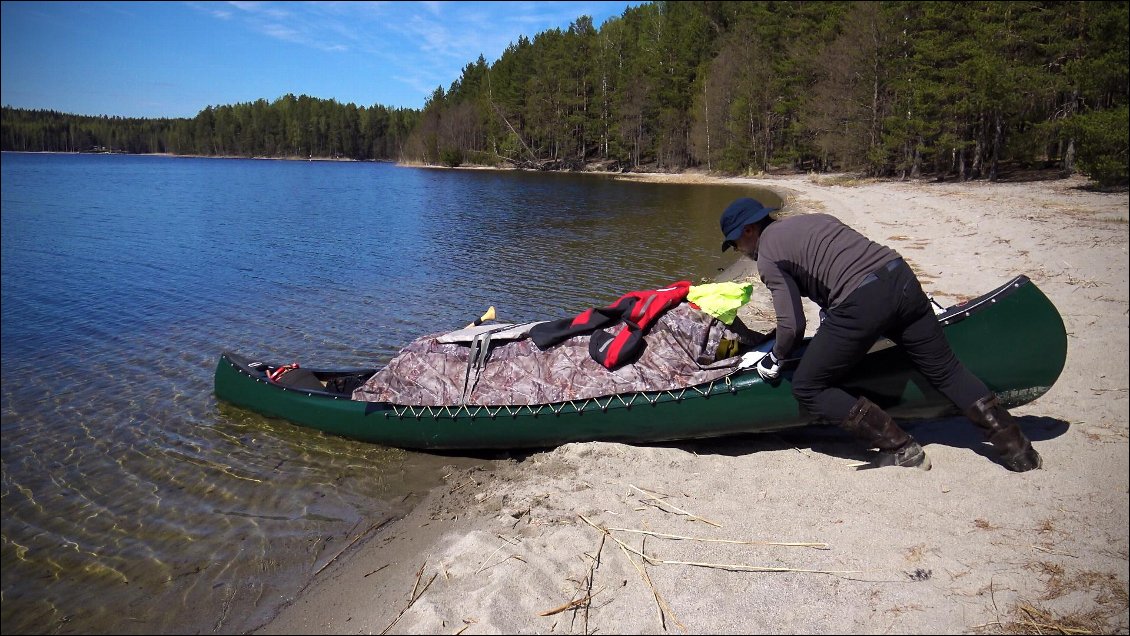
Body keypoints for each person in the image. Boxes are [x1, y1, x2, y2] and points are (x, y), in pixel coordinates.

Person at [719, 197, 1042, 472]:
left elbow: (792, 326)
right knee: (946, 370)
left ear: (750, 230)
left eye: (735, 242)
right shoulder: (814, 219)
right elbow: (841, 261)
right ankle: (1019, 451)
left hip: (862, 302)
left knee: (807, 385)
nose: (738, 249)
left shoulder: (768, 256)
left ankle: (900, 448)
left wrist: (776, 357)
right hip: (900, 278)